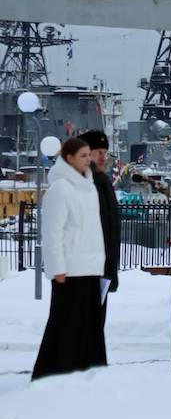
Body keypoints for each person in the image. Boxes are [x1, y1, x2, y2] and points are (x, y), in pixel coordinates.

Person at [31, 138, 106, 380]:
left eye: (88, 155)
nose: (88, 159)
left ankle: (87, 372)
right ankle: (50, 373)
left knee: (90, 326)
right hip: (70, 270)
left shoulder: (89, 188)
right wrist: (57, 268)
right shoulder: (60, 189)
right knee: (64, 324)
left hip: (90, 267)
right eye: (83, 155)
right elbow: (52, 232)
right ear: (69, 158)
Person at [78, 131, 120, 304]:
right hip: (83, 273)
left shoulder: (104, 183)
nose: (104, 158)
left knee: (96, 317)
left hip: (102, 269)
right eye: (99, 153)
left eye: (105, 153)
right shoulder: (80, 184)